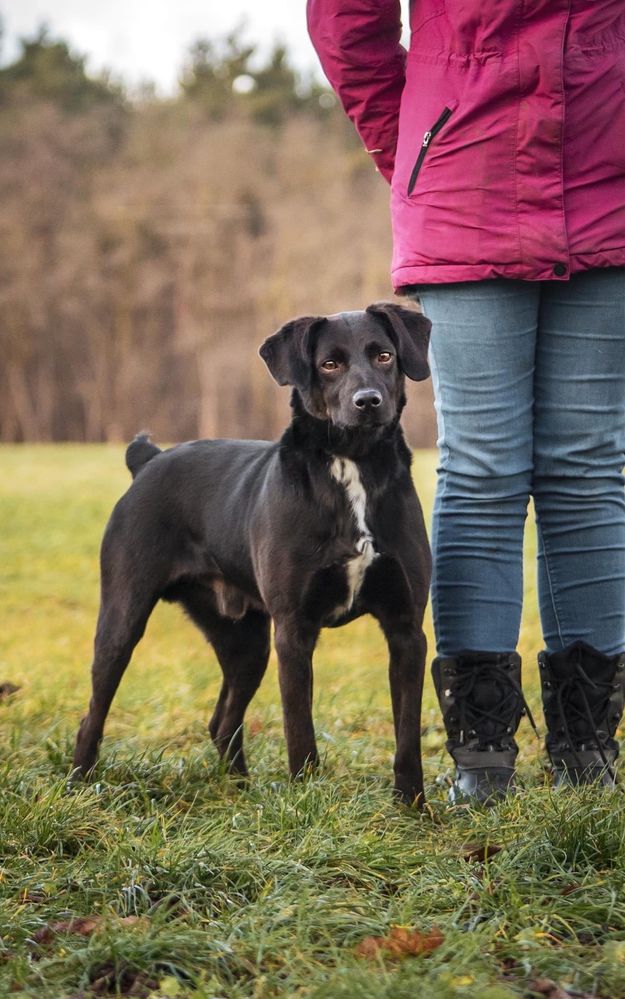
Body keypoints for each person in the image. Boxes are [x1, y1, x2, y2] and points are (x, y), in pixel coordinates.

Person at [307, 0, 625, 802]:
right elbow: (347, 20)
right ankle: (480, 751)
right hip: (466, 178)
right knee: (482, 469)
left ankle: (587, 748)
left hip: (608, 182)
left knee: (587, 468)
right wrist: (417, 141)